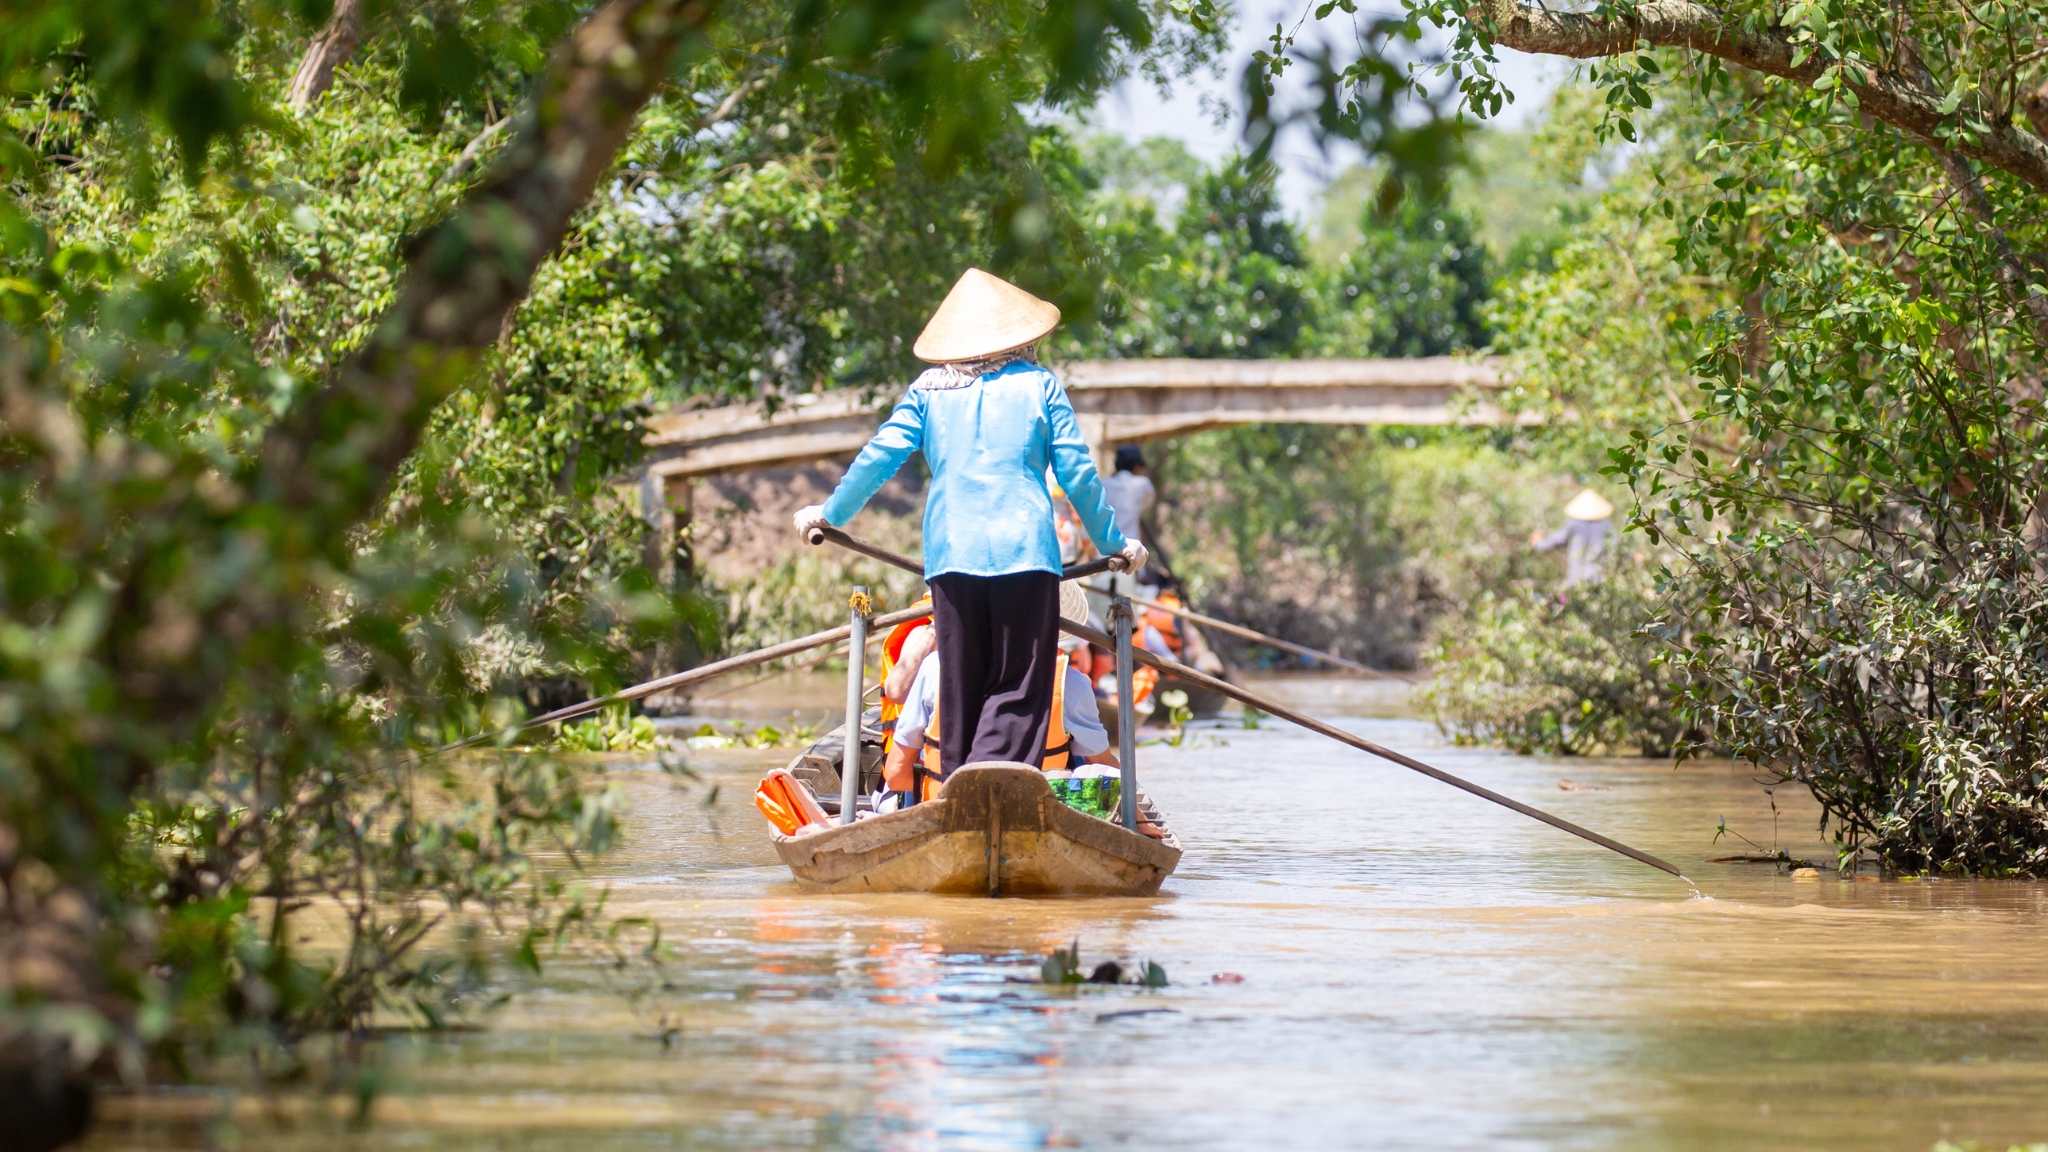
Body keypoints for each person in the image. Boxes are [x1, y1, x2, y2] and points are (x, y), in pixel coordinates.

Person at [793, 269, 1145, 778]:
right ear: (1021, 339)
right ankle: (995, 782)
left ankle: (959, 782)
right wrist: (1116, 544)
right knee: (1019, 688)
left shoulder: (928, 390)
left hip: (951, 556)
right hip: (1026, 557)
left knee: (959, 685)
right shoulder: (1041, 385)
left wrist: (830, 513)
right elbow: (1077, 473)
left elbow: (879, 456)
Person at [1531, 488, 1614, 587]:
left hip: (1576, 578)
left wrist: (1538, 543)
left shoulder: (1573, 524)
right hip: (1598, 579)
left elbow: (1556, 540)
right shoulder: (1606, 525)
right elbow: (1615, 546)